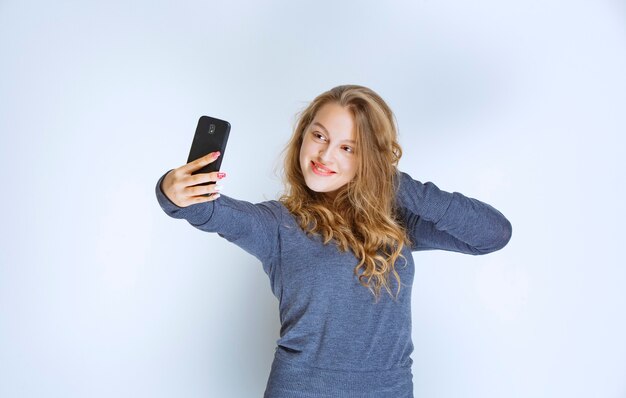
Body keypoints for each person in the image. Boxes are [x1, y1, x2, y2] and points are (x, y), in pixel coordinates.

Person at [155, 85, 512, 397]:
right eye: (320, 136)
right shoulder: (277, 224)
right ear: (303, 135)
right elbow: (210, 212)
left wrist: (390, 182)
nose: (326, 156)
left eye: (348, 148)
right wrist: (172, 190)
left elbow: (492, 234)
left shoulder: (395, 222)